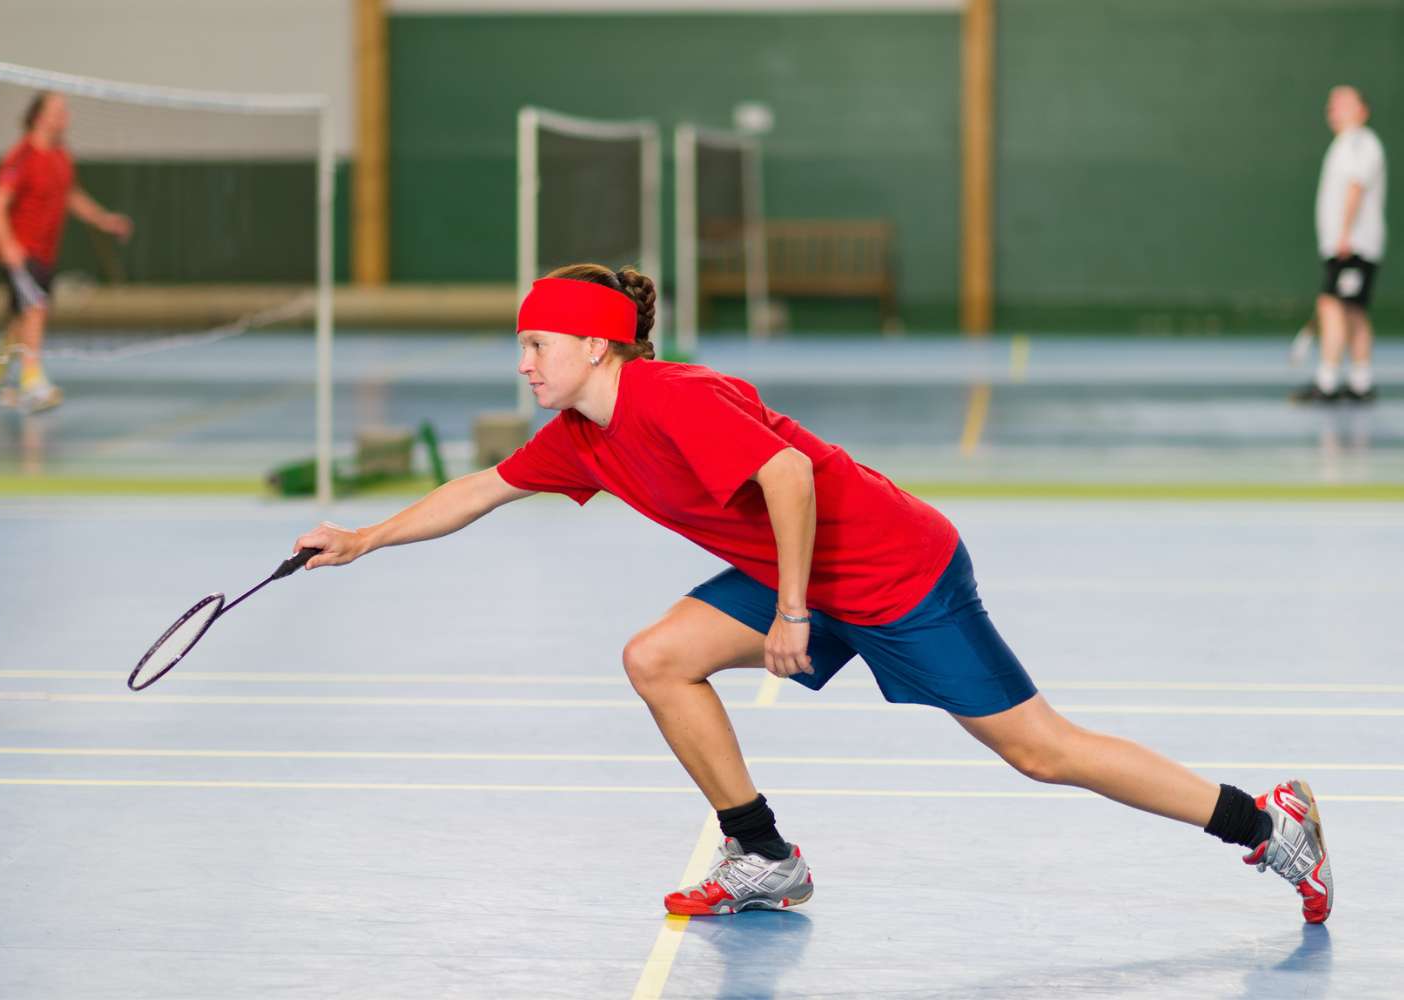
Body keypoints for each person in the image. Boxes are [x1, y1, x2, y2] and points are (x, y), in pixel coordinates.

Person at [294, 264, 1333, 923]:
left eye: (537, 344)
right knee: (657, 658)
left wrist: (793, 610)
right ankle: (762, 855)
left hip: (891, 569)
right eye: (521, 345)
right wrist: (363, 537)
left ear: (597, 345)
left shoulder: (674, 397)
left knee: (1040, 751)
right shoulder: (582, 439)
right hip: (793, 572)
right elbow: (482, 487)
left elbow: (787, 477)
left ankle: (1264, 822)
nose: (523, 362)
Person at [0, 92, 133, 413]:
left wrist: (102, 219)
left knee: (23, 319)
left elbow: (71, 194)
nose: (65, 116)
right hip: (19, 252)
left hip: (45, 252)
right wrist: (8, 245)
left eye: (66, 110)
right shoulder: (21, 157)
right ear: (38, 116)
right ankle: (33, 384)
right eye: (57, 110)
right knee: (35, 309)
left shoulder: (61, 155)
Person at [1294, 85, 1387, 403]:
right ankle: (1361, 383)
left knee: (1333, 307)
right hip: (1348, 244)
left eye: (1343, 104)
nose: (1334, 110)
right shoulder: (1345, 144)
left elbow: (1356, 187)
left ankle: (1328, 382)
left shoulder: (1360, 142)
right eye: (1332, 104)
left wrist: (1345, 234)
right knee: (1354, 311)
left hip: (1353, 245)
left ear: (1362, 110)